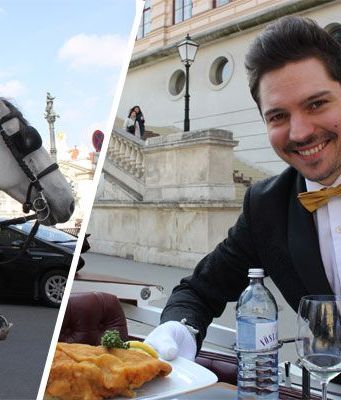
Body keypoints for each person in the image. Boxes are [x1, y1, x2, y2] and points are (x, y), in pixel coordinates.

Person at [145, 16, 341, 364]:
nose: (299, 133)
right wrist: (178, 330)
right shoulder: (267, 205)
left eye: (317, 104)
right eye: (278, 116)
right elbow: (198, 291)